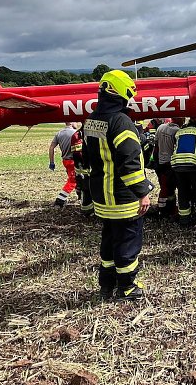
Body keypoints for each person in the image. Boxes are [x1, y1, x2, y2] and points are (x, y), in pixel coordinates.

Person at [83, 70, 152, 301]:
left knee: (110, 241)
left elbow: (93, 155)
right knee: (128, 243)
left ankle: (106, 285)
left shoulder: (92, 120)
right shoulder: (121, 121)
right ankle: (127, 288)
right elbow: (129, 164)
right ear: (122, 92)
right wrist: (143, 193)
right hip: (122, 198)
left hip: (101, 196)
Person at [171, 118, 196, 226]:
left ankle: (184, 220)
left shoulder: (179, 132)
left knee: (182, 192)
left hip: (177, 166)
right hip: (194, 165)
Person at [48, 122, 81, 208]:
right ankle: (60, 201)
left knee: (77, 179)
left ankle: (81, 196)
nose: (77, 124)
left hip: (65, 161)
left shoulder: (59, 133)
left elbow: (51, 147)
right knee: (73, 181)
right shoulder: (76, 133)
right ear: (72, 122)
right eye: (76, 121)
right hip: (74, 161)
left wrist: (52, 162)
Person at [154, 117, 183, 216]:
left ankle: (162, 208)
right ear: (181, 120)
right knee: (170, 188)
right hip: (170, 164)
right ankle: (169, 210)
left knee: (163, 187)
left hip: (160, 162)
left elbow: (156, 145)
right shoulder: (177, 131)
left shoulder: (160, 127)